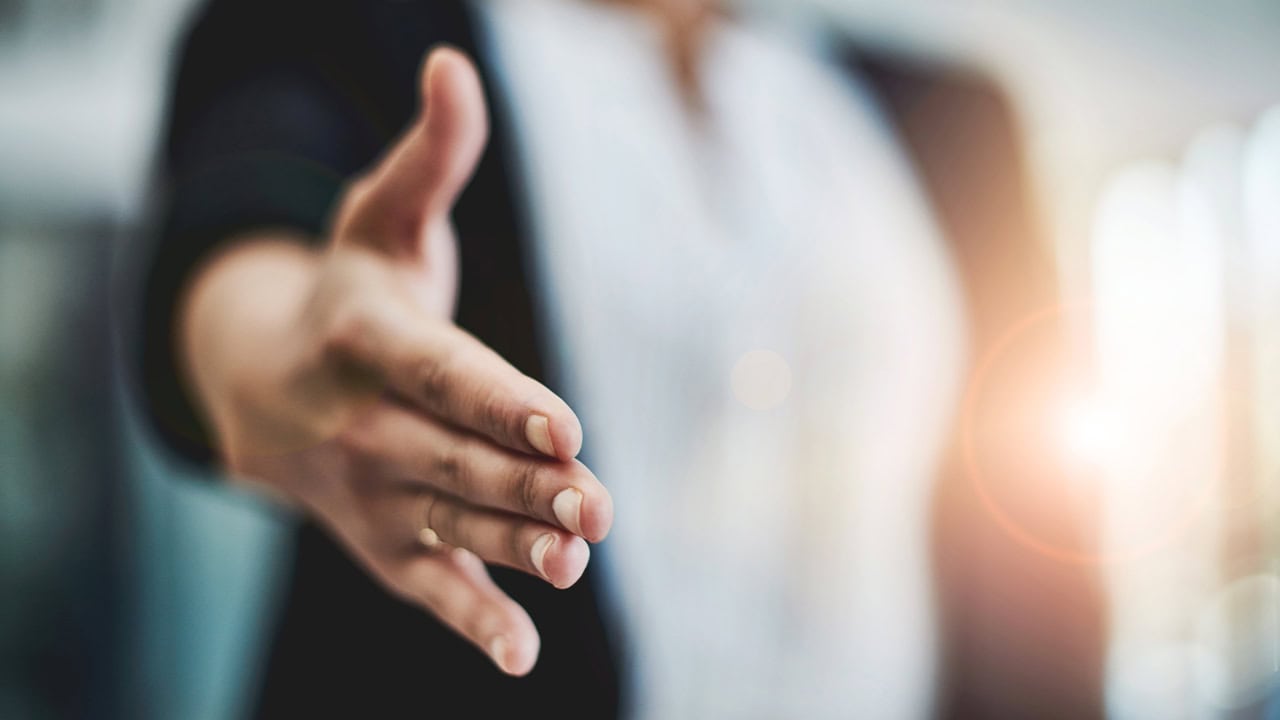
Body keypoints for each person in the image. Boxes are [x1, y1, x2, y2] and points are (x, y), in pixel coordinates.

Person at [135, 0, 1104, 716]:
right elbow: (240, 240)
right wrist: (304, 354)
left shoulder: (953, 121)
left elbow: (1041, 547)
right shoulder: (346, 35)